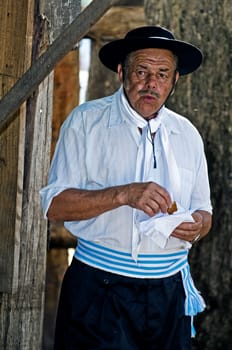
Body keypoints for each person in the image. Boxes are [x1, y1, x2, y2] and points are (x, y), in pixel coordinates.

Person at [40, 26, 212, 350]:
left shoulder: (187, 134)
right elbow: (55, 205)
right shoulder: (86, 122)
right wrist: (123, 194)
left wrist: (197, 226)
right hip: (99, 289)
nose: (151, 84)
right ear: (122, 72)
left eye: (163, 74)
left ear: (175, 80)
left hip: (169, 293)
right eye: (141, 71)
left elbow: (205, 212)